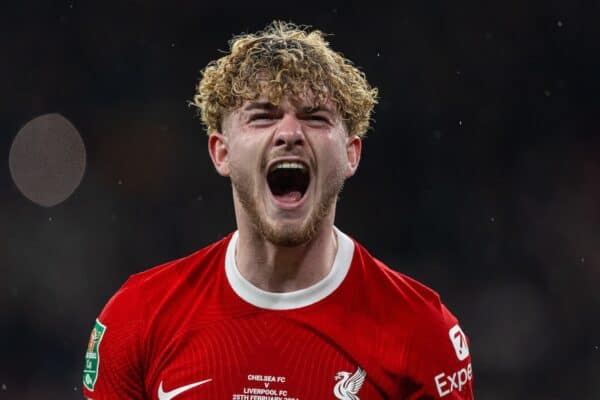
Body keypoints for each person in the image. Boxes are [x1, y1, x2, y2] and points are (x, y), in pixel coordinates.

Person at [82, 21, 475, 399]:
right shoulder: (137, 319)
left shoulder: (423, 333)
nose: (289, 133)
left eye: (315, 117)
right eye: (263, 116)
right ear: (222, 152)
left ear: (351, 155)